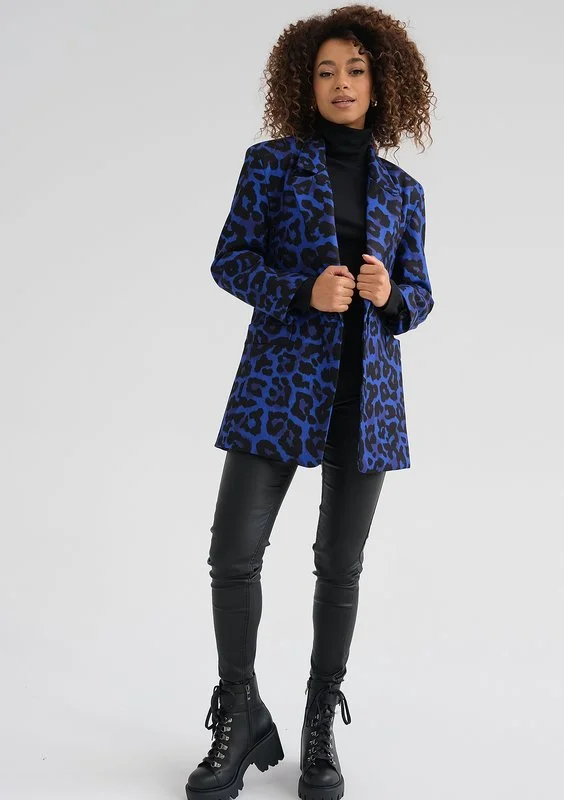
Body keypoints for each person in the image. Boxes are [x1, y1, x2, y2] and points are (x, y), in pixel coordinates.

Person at [186, 5, 436, 800]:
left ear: (380, 83)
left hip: (368, 399)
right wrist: (303, 291)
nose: (341, 83)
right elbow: (230, 260)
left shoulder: (404, 191)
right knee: (233, 553)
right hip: (277, 389)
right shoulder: (271, 164)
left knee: (340, 566)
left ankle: (318, 725)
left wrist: (389, 294)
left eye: (356, 70)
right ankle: (239, 713)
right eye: (326, 71)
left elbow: (420, 298)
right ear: (306, 83)